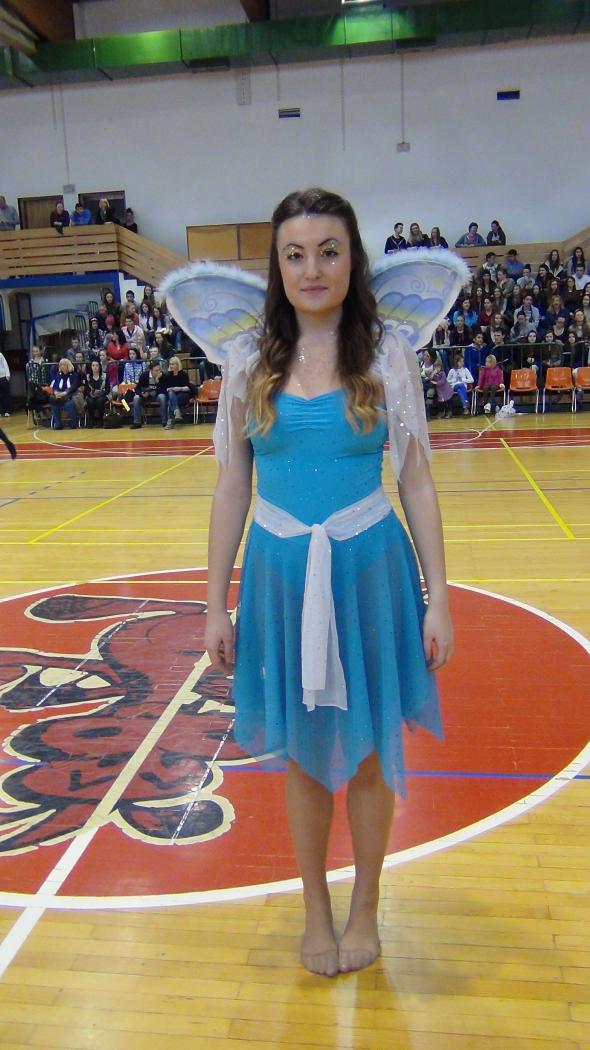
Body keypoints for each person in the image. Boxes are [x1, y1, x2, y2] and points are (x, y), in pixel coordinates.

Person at [203, 187, 452, 977]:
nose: (313, 268)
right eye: (296, 254)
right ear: (278, 267)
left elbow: (416, 480)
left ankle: (367, 904)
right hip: (280, 575)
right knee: (305, 755)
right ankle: (315, 907)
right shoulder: (247, 361)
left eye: (329, 251)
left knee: (372, 751)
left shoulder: (387, 355)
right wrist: (214, 604)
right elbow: (231, 487)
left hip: (371, 571)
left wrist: (439, 597)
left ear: (353, 261)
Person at [130, 360, 167, 429]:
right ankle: (137, 422)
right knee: (136, 398)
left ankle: (165, 422)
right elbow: (137, 388)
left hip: (156, 396)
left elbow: (164, 390)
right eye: (156, 370)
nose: (158, 372)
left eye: (159, 370)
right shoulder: (144, 375)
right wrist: (142, 394)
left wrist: (157, 382)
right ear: (151, 370)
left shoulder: (162, 376)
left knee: (162, 396)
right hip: (146, 397)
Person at [49, 358, 79, 429]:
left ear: (68, 365)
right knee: (54, 402)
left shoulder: (74, 375)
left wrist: (65, 393)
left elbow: (74, 386)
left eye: (64, 365)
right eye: (61, 365)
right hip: (59, 396)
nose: (62, 366)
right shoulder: (58, 375)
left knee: (68, 404)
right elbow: (55, 386)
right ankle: (58, 423)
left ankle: (74, 423)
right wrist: (56, 393)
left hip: (69, 395)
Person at [163, 355, 192, 428]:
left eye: (173, 364)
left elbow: (188, 388)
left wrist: (179, 388)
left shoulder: (183, 374)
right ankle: (177, 412)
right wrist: (169, 389)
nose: (171, 366)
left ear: (177, 365)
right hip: (172, 395)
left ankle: (170, 422)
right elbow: (165, 387)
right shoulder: (168, 375)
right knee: (170, 395)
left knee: (170, 402)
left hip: (183, 394)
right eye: (170, 364)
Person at [84, 358, 109, 427]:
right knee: (90, 401)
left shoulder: (105, 375)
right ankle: (91, 420)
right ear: (91, 367)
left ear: (99, 367)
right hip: (92, 395)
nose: (95, 367)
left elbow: (108, 389)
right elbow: (86, 390)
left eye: (97, 365)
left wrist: (100, 393)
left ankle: (101, 420)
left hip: (103, 395)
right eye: (93, 365)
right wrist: (91, 394)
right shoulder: (88, 377)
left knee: (99, 401)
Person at [0, 349, 11, 416]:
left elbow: (5, 364)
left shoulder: (0, 354)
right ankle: (1, 411)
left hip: (3, 376)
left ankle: (7, 411)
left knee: (6, 394)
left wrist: (7, 374)